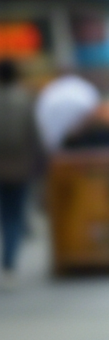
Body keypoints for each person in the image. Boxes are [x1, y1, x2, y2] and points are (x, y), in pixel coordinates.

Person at [0, 58, 42, 286]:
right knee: (14, 217)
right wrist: (41, 163)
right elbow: (34, 136)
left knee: (5, 215)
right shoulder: (26, 100)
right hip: (19, 168)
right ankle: (9, 265)